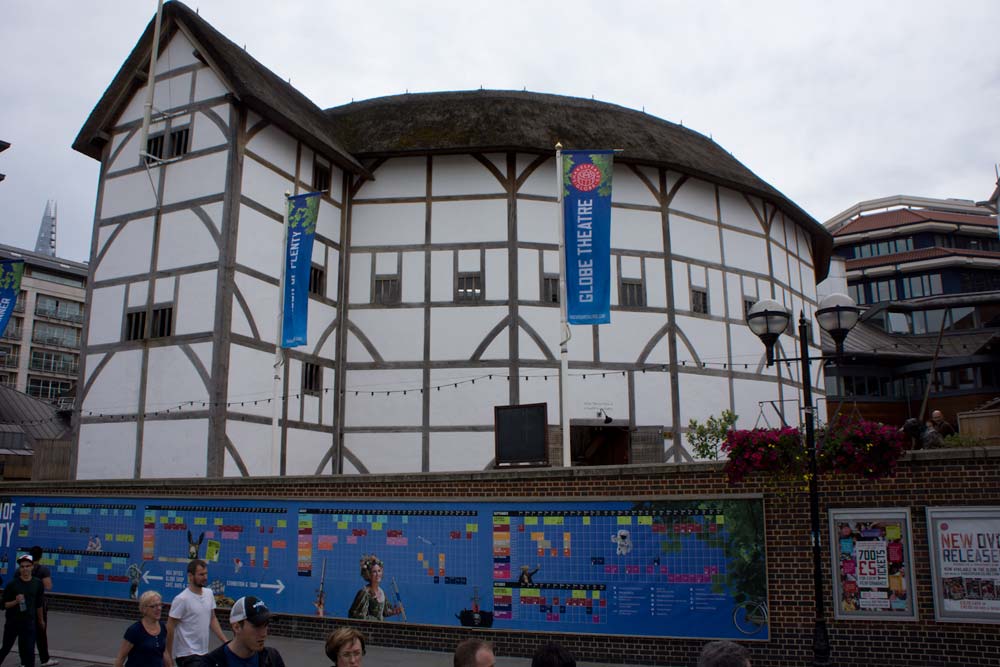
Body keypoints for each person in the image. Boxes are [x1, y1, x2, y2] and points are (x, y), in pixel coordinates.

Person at [166, 559, 227, 666]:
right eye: (201, 574)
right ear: (190, 576)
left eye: (206, 574)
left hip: (203, 652)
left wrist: (225, 641)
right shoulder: (182, 599)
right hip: (186, 654)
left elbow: (212, 619)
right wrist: (168, 655)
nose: (205, 577)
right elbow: (170, 627)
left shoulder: (209, 593)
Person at [195, 596, 284, 667]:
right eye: (257, 626)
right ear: (236, 627)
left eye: (266, 625)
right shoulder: (210, 663)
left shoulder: (272, 658)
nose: (264, 634)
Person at [0, 554, 44, 667]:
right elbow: (3, 605)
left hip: (29, 622)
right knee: (6, 647)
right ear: (19, 568)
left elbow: (39, 604)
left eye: (27, 566)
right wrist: (15, 601)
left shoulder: (37, 583)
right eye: (22, 566)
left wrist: (41, 620)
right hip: (13, 622)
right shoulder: (12, 584)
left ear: (32, 567)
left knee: (29, 650)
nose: (25, 569)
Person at [114, 590, 168, 667]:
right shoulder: (134, 630)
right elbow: (120, 658)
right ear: (144, 609)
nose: (159, 608)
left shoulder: (162, 627)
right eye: (154, 606)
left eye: (160, 605)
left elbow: (164, 653)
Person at [347, 555, 403, 621]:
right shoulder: (365, 592)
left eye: (379, 571)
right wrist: (373, 620)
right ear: (369, 574)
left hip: (380, 629)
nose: (377, 574)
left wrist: (394, 611)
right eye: (374, 572)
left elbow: (385, 611)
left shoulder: (381, 592)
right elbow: (354, 614)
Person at [29, 545, 58, 666]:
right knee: (40, 632)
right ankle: (44, 659)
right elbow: (48, 586)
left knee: (26, 633)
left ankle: (26, 660)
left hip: (25, 605)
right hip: (39, 605)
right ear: (41, 556)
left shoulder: (20, 569)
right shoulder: (43, 570)